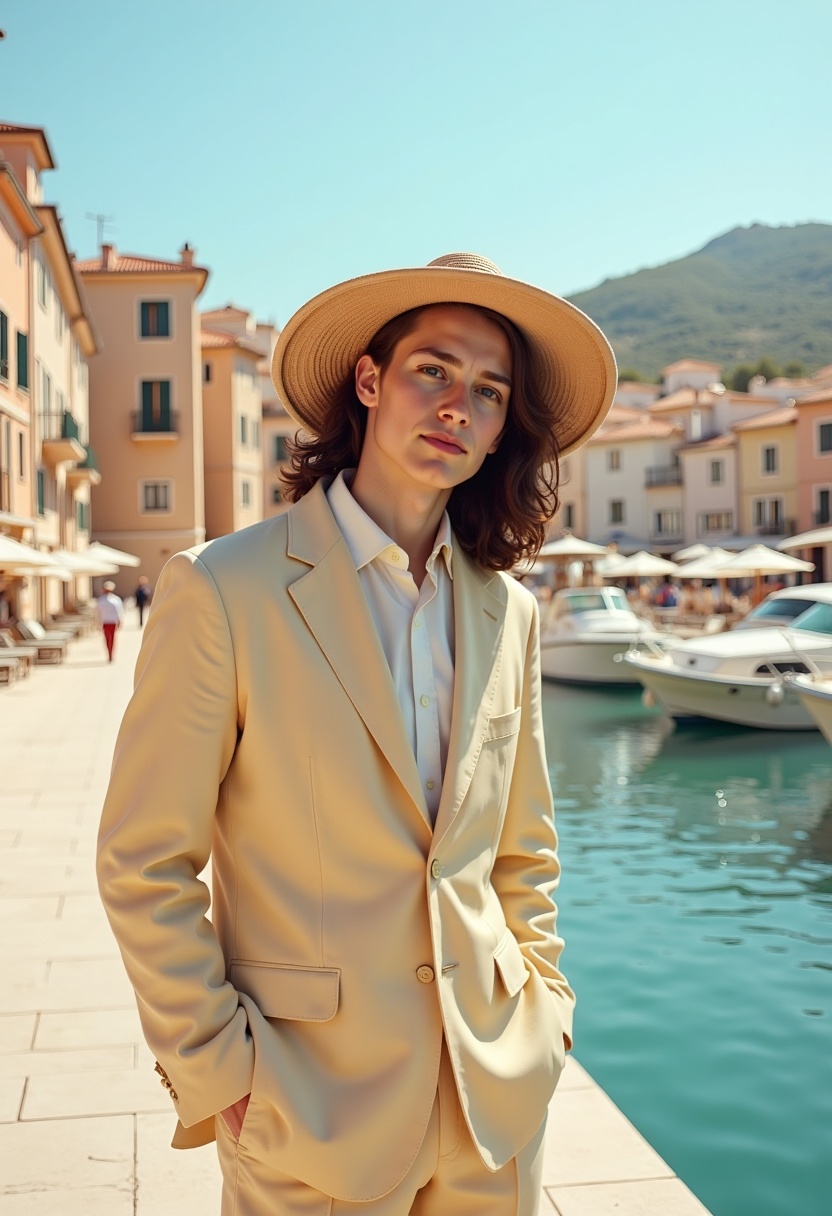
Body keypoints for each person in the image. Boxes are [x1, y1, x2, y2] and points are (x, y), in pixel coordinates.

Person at [96, 253, 616, 1215]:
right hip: (308, 1109)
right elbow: (143, 860)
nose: (460, 403)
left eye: (490, 390)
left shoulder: (510, 611)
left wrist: (546, 1011)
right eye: (434, 370)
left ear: (503, 429)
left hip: (491, 1102)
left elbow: (524, 851)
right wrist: (218, 1067)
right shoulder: (223, 590)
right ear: (370, 382)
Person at [96, 580, 124, 662]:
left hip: (110, 622)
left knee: (110, 639)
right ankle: (110, 653)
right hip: (107, 622)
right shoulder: (105, 600)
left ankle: (110, 654)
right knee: (109, 639)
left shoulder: (114, 600)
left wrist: (119, 620)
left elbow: (119, 611)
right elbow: (98, 613)